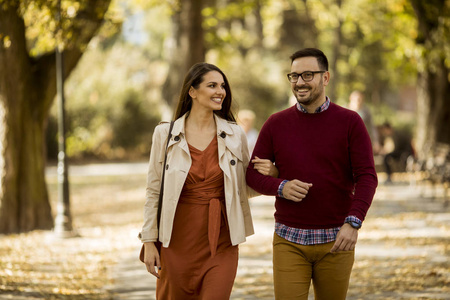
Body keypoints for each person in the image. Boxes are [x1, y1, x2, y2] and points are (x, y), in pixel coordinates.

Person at [246, 48, 378, 300]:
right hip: (288, 238)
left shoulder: (350, 122)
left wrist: (353, 222)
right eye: (294, 76)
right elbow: (252, 175)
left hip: (337, 239)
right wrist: (281, 186)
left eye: (308, 75)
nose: (299, 82)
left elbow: (367, 177)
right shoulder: (276, 123)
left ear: (325, 78)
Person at [138, 62, 277, 299]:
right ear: (192, 91)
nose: (220, 91)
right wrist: (150, 241)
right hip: (175, 241)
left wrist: (272, 175)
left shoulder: (235, 134)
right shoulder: (165, 134)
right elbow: (154, 191)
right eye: (212, 85)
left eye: (222, 86)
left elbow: (245, 187)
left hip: (222, 241)